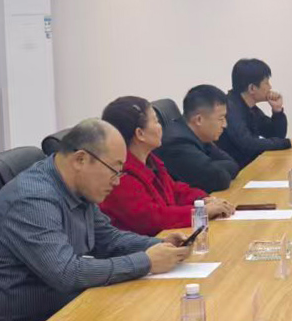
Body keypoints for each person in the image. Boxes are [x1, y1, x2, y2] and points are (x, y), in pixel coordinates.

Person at [0, 119, 189, 321]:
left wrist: (160, 245)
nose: (117, 182)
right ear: (80, 159)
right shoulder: (32, 200)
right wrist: (146, 261)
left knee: (151, 320)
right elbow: (66, 273)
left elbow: (108, 239)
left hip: (65, 310)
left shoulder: (77, 187)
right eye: (114, 170)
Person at [99, 96, 234, 236]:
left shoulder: (150, 160)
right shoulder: (120, 175)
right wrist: (201, 212)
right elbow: (153, 219)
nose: (161, 127)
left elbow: (174, 190)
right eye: (156, 121)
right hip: (145, 244)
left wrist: (203, 200)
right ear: (140, 134)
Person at [220, 58, 292, 167]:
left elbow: (275, 135)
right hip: (234, 172)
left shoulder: (250, 108)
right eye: (266, 83)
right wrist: (290, 143)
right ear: (252, 88)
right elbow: (248, 144)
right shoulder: (230, 108)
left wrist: (277, 111)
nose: (270, 87)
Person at [159, 84, 242, 193]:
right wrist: (212, 167)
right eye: (220, 119)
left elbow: (233, 165)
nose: (225, 125)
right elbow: (219, 179)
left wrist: (211, 166)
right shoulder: (177, 144)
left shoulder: (198, 135)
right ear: (199, 120)